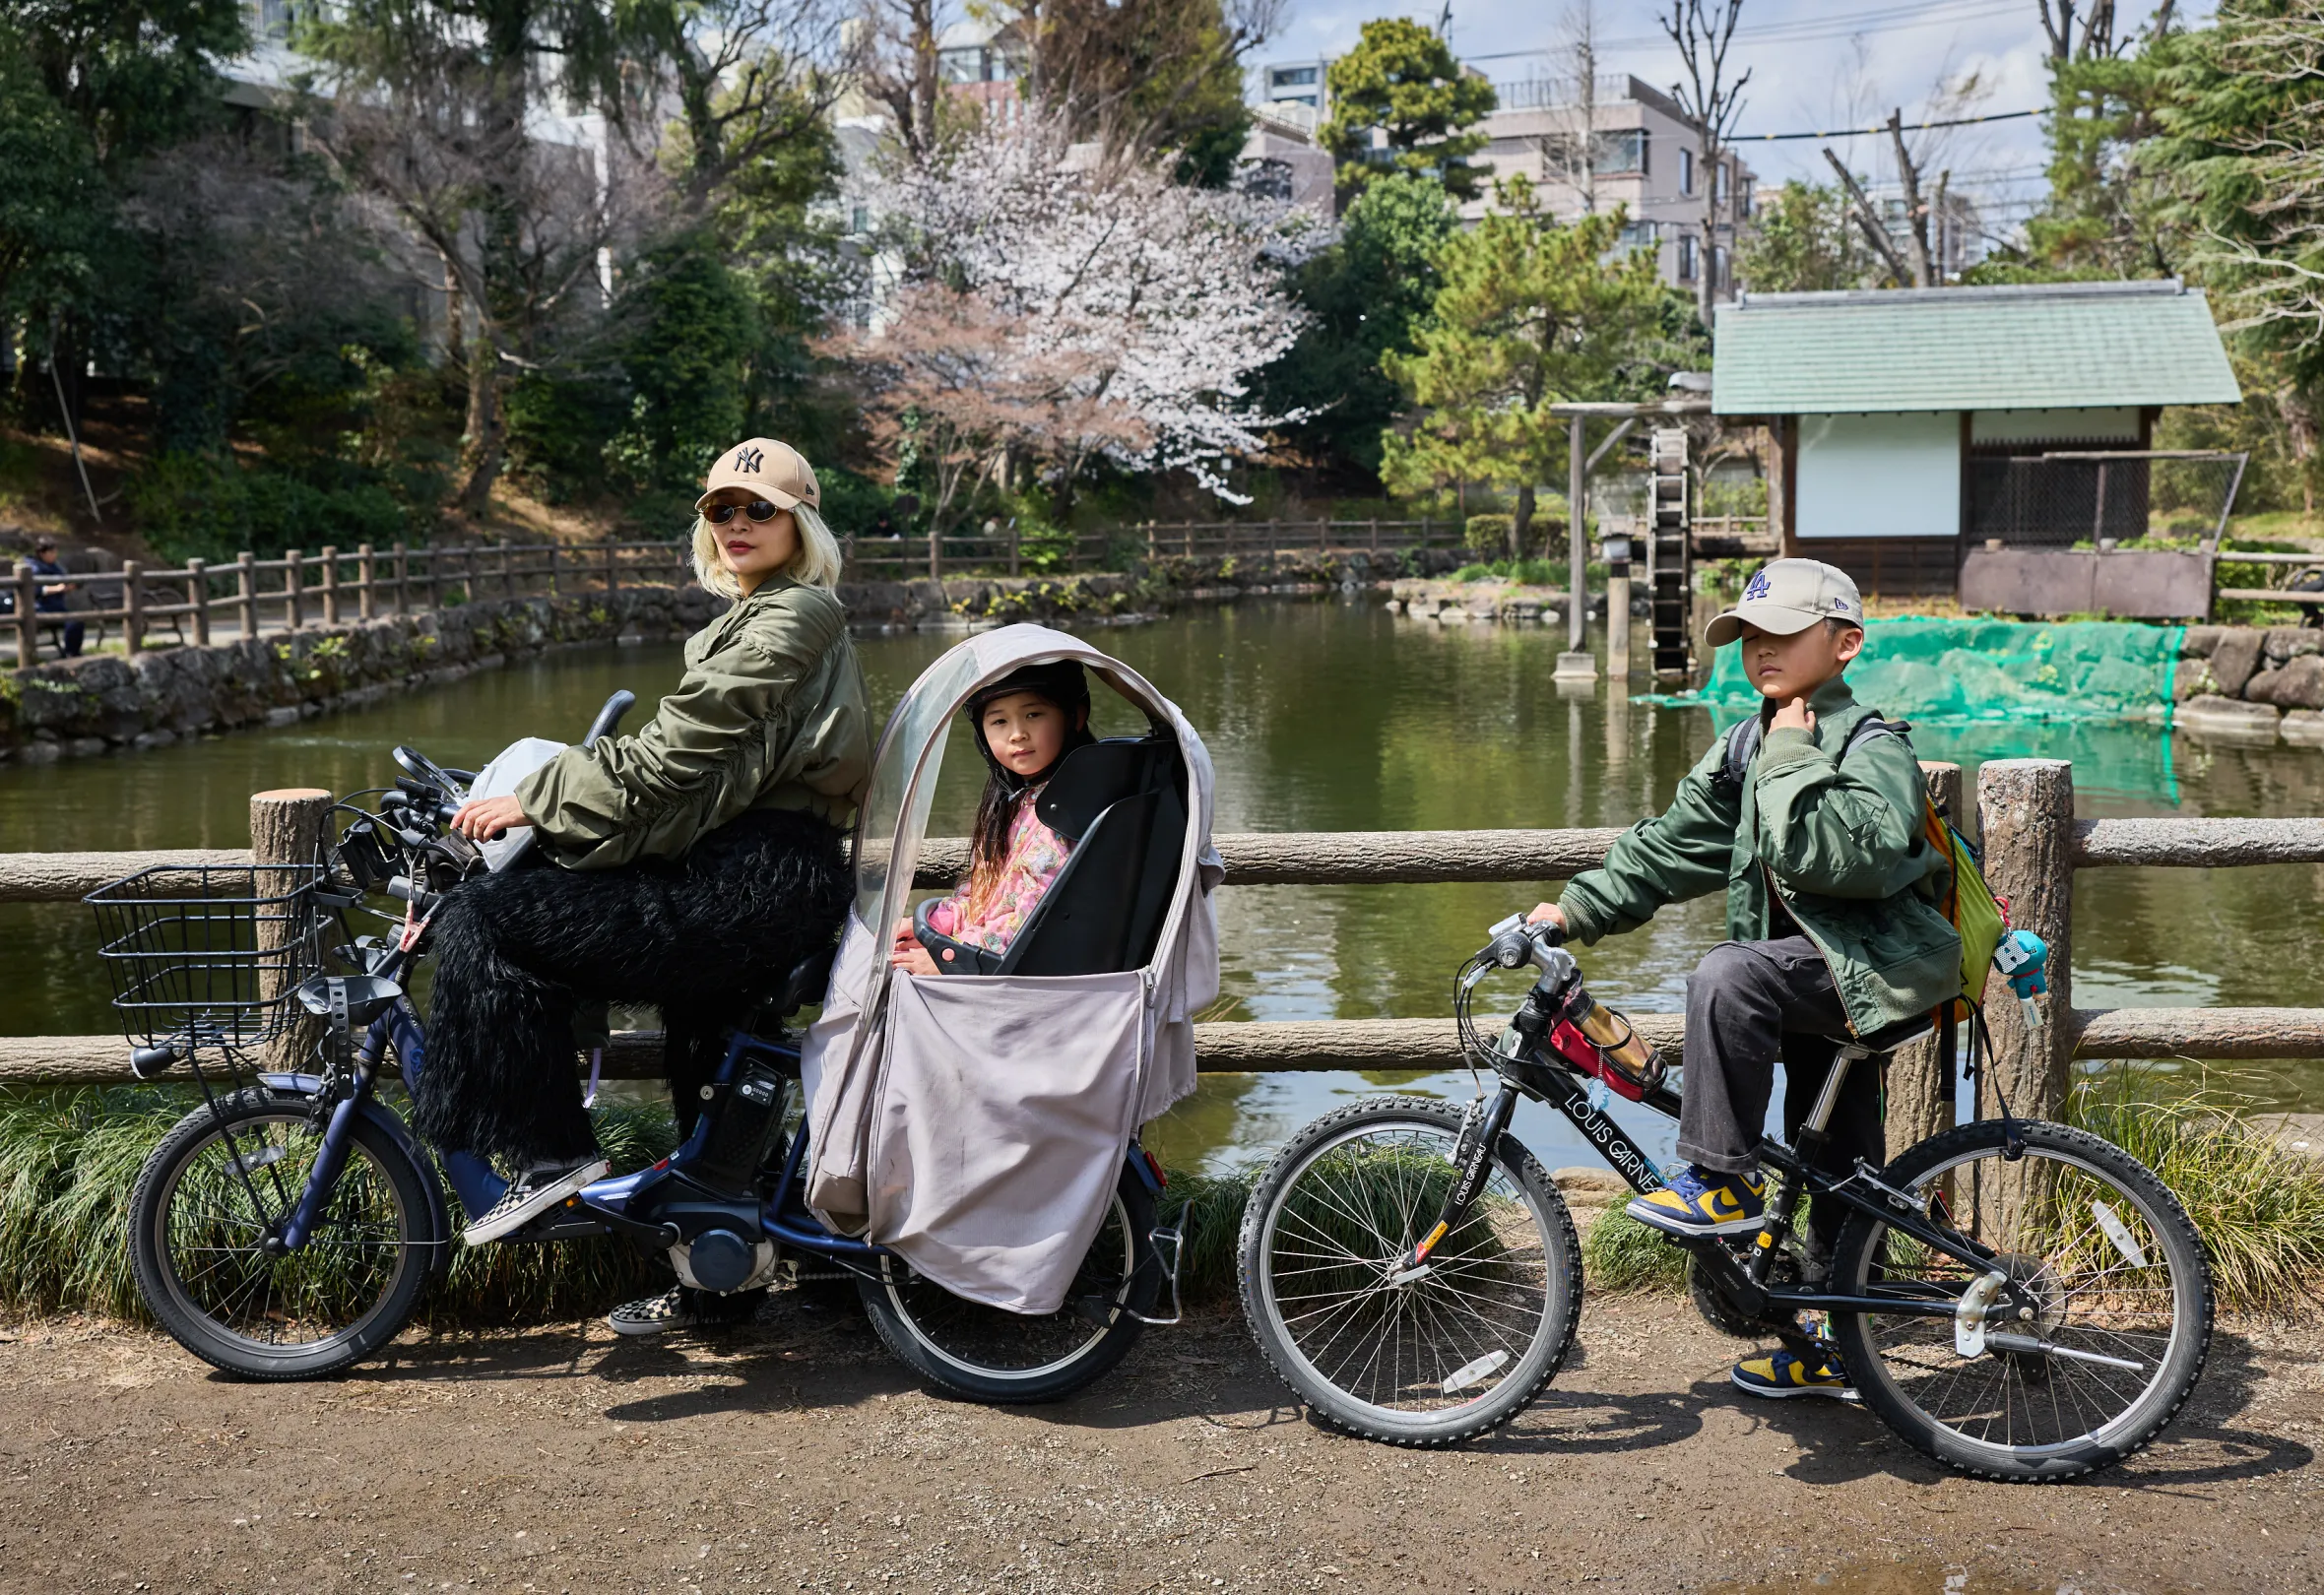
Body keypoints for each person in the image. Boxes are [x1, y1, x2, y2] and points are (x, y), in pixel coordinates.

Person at [424, 437, 871, 1337]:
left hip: (757, 879)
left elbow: (671, 758)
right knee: (709, 1057)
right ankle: (732, 1278)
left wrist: (535, 800)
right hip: (755, 872)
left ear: (801, 524)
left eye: (760, 510)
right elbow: (694, 779)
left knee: (491, 922)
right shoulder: (763, 615)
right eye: (720, 510)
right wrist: (579, 826)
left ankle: (550, 1155)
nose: (737, 524)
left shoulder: (793, 619)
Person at [1526, 559, 1959, 1402]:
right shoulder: (1746, 743)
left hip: (1868, 977)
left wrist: (1795, 751)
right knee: (1836, 1166)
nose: (1761, 649)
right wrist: (1576, 908)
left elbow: (1842, 857)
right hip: (1797, 979)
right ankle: (1841, 1349)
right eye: (1750, 636)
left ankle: (1722, 1182)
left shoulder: (1873, 748)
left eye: (1784, 634)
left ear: (1845, 645)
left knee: (1725, 977)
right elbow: (1672, 845)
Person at [890, 660, 1094, 976]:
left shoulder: (1069, 810)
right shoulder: (1020, 797)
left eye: (1033, 714)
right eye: (999, 721)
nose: (1017, 734)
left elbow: (1040, 913)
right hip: (992, 955)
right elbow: (992, 892)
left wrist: (955, 957)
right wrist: (937, 924)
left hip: (1013, 972)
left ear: (1075, 717)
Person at [27, 540, 83, 658]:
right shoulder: (33, 567)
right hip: (40, 608)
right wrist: (56, 588)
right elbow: (35, 590)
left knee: (78, 620)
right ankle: (70, 654)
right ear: (42, 553)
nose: (54, 555)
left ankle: (72, 652)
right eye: (51, 552)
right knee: (73, 622)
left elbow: (63, 581)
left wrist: (69, 586)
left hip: (57, 606)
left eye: (55, 552)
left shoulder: (55, 566)